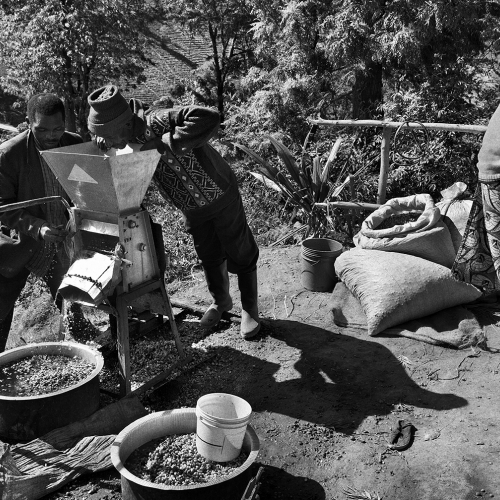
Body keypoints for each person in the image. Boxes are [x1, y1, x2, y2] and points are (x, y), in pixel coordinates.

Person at [86, 84, 260, 339]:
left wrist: (163, 143)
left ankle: (250, 310)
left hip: (218, 194)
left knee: (239, 249)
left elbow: (209, 116)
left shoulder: (158, 120)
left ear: (123, 125)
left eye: (110, 136)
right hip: (191, 206)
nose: (110, 142)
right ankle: (222, 302)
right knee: (208, 253)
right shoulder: (123, 136)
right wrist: (102, 138)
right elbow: (110, 144)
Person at [0, 94, 83, 351]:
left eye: (57, 128)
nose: (50, 135)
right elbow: (3, 207)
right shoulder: (8, 155)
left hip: (60, 241)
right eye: (42, 129)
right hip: (21, 242)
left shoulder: (75, 144)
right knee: (1, 309)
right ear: (28, 122)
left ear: (65, 122)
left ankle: (84, 351)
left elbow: (86, 183)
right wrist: (38, 227)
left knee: (70, 301)